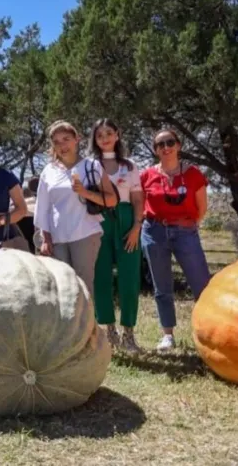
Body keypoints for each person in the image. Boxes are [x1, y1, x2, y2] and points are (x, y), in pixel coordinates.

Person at [140, 128, 212, 352]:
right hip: (154, 232)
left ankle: (210, 332)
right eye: (160, 144)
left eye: (169, 142)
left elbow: (202, 209)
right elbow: (141, 205)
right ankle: (167, 335)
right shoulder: (147, 175)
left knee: (201, 284)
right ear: (155, 151)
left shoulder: (193, 174)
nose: (165, 147)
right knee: (162, 286)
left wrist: (186, 225)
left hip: (185, 232)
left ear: (178, 145)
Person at [33, 120, 118, 299]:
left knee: (83, 288)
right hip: (57, 238)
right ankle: (66, 328)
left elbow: (111, 200)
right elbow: (42, 208)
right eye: (56, 142)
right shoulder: (48, 171)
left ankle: (86, 327)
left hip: (85, 233)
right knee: (61, 288)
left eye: (66, 139)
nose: (62, 145)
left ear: (76, 139)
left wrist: (84, 192)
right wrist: (45, 239)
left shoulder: (92, 166)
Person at [89, 119, 144, 353]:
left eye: (109, 133)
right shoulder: (90, 165)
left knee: (129, 278)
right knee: (100, 277)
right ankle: (109, 332)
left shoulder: (130, 166)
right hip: (98, 222)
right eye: (100, 135)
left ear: (117, 135)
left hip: (126, 220)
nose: (105, 139)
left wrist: (136, 226)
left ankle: (128, 334)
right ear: (95, 139)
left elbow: (138, 198)